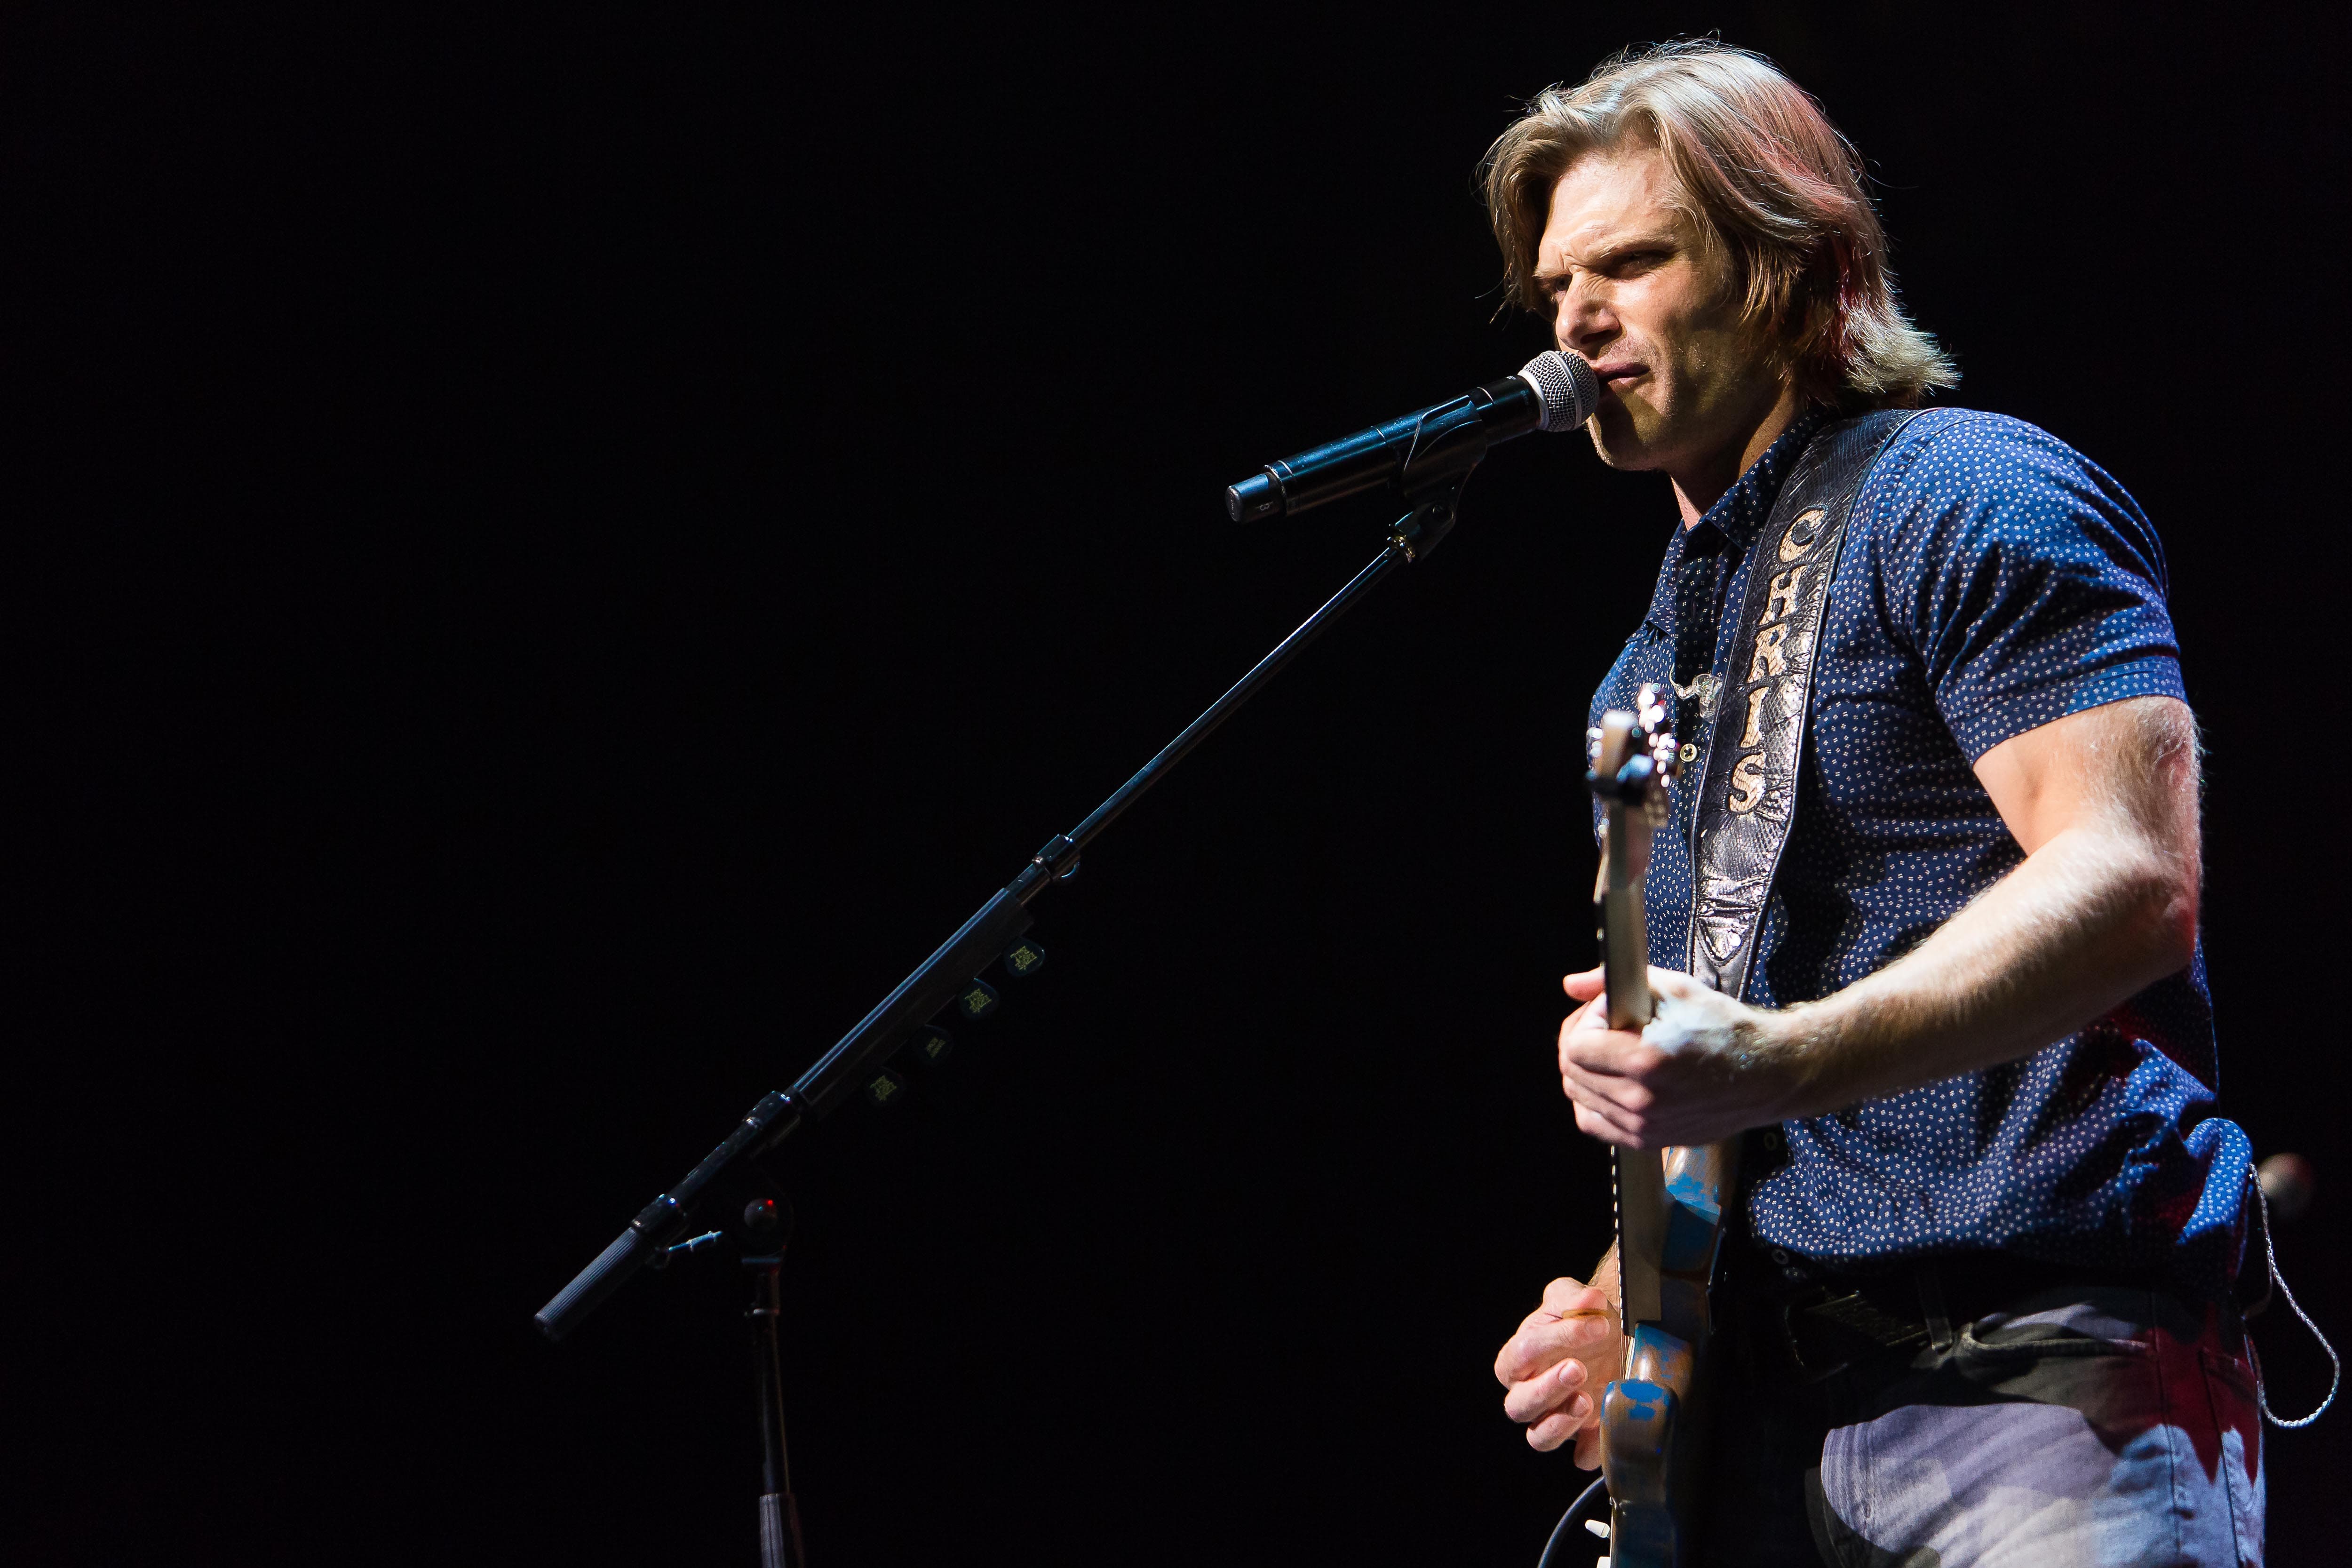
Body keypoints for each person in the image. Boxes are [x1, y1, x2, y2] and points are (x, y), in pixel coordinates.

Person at [1480, 43, 2264, 1566]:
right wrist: (1629, 1314)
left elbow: (2130, 880)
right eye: (1558, 282)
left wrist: (1773, 1061)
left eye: (1632, 263)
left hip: (2039, 1375)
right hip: (1769, 1435)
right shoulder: (1643, 673)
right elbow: (1717, 1074)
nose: (1575, 318)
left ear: (1799, 274)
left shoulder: (1968, 492)